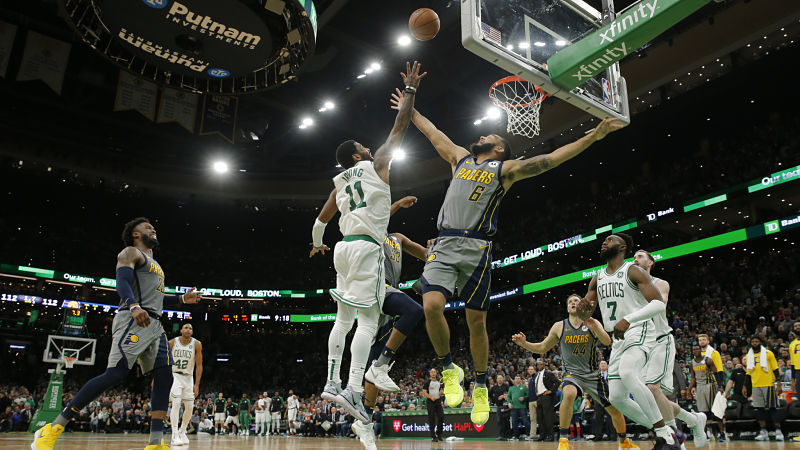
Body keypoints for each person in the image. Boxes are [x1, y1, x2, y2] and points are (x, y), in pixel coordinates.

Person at [390, 88, 624, 426]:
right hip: (443, 243)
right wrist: (410, 102)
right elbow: (431, 132)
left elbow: (552, 158)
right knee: (430, 306)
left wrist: (595, 134)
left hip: (477, 248)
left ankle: (482, 386)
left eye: (489, 136)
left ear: (498, 148)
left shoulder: (505, 169)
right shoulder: (459, 158)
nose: (481, 135)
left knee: (476, 322)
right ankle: (448, 368)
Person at [310, 61, 425, 424]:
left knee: (342, 319)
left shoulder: (340, 182)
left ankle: (332, 381)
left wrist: (318, 243)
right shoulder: (377, 165)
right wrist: (410, 90)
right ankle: (356, 390)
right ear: (359, 155)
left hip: (342, 249)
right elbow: (401, 125)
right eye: (363, 145)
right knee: (370, 323)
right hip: (368, 251)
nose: (367, 146)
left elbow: (321, 220)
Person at [32, 217, 201, 450]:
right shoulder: (130, 252)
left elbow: (156, 297)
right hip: (135, 319)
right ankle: (53, 427)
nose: (152, 228)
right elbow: (121, 282)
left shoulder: (155, 263)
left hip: (155, 323)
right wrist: (133, 306)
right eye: (146, 227)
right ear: (135, 234)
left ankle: (155, 442)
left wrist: (182, 299)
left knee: (165, 376)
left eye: (152, 226)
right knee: (115, 374)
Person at [575, 233, 683, 449]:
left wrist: (628, 319)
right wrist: (583, 311)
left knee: (628, 373)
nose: (605, 242)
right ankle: (666, 430)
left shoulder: (633, 271)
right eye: (604, 240)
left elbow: (659, 304)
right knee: (616, 396)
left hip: (639, 329)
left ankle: (665, 434)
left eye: (610, 240)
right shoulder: (598, 277)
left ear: (622, 247)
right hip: (618, 338)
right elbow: (586, 310)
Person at [347, 196, 427, 450]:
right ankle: (380, 364)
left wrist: (438, 254)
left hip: (386, 309)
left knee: (373, 370)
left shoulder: (398, 238)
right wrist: (397, 205)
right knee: (414, 310)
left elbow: (425, 254)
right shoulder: (369, 233)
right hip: (376, 290)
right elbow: (376, 217)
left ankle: (364, 421)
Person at [513, 294, 638, 450]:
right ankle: (564, 442)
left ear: (581, 306)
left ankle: (624, 442)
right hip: (572, 375)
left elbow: (607, 341)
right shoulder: (559, 326)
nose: (573, 303)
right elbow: (542, 348)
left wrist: (596, 328)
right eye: (570, 301)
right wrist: (524, 344)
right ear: (567, 307)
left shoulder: (592, 322)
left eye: (576, 301)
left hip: (593, 375)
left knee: (614, 408)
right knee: (569, 394)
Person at [633, 250, 707, 448]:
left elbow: (660, 303)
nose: (635, 259)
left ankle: (673, 438)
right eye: (633, 257)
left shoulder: (660, 283)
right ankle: (692, 421)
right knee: (651, 396)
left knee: (652, 388)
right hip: (642, 344)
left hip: (660, 340)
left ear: (650, 262)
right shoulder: (631, 287)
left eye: (640, 256)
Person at [169, 322, 203, 446]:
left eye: (190, 328)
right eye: (186, 328)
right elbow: (163, 361)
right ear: (181, 331)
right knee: (176, 403)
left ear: (192, 332)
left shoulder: (197, 344)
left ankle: (182, 431)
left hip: (188, 377)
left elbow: (199, 365)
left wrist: (197, 384)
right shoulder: (172, 342)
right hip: (175, 375)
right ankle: (174, 434)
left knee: (189, 406)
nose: (188, 330)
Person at [746, 335, 784, 441]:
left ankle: (778, 431)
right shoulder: (749, 356)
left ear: (760, 342)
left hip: (769, 384)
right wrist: (745, 386)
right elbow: (748, 373)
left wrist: (778, 382)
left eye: (756, 341)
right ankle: (763, 431)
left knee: (773, 407)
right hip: (755, 385)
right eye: (753, 341)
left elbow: (775, 368)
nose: (754, 343)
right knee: (759, 409)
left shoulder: (768, 353)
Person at [695, 334, 724, 442]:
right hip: (700, 385)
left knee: (716, 410)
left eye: (703, 339)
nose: (701, 341)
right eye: (700, 340)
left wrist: (720, 385)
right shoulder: (696, 355)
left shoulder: (714, 353)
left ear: (708, 341)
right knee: (703, 412)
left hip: (712, 384)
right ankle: (707, 433)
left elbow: (719, 369)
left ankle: (722, 433)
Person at [423, 369, 445, 442]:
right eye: (431, 372)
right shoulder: (427, 382)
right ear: (429, 373)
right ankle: (433, 436)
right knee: (432, 419)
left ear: (436, 373)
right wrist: (430, 397)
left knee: (441, 417)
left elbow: (441, 392)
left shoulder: (439, 382)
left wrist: (442, 392)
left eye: (434, 372)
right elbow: (424, 392)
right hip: (430, 402)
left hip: (438, 401)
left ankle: (439, 434)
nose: (433, 373)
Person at [490, 374, 510, 440]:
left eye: (501, 378)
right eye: (498, 378)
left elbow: (510, 394)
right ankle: (501, 435)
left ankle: (507, 436)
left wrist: (504, 396)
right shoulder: (494, 387)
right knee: (499, 421)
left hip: (506, 406)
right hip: (499, 406)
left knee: (506, 421)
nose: (500, 379)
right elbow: (489, 394)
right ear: (496, 380)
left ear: (503, 379)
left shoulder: (506, 386)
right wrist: (494, 400)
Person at [508, 375, 529, 441]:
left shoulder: (524, 387)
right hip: (514, 407)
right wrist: (509, 403)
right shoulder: (511, 388)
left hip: (522, 407)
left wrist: (524, 398)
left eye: (518, 378)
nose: (517, 380)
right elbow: (508, 397)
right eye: (516, 379)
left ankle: (528, 435)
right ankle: (516, 436)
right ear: (514, 380)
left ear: (520, 380)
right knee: (514, 422)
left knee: (525, 421)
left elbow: (528, 395)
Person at [790, 324, 800, 400]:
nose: (797, 327)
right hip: (798, 371)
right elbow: (792, 363)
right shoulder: (792, 344)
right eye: (795, 326)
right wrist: (793, 380)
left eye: (799, 325)